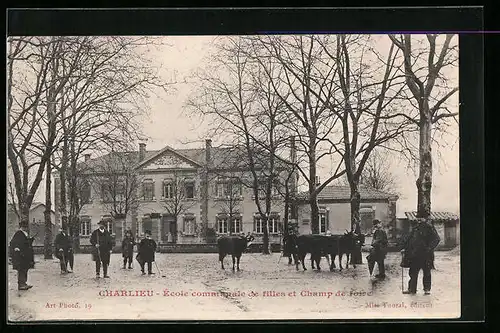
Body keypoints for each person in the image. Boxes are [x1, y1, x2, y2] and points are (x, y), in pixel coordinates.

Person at [401, 217, 441, 295]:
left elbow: (436, 239)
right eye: (418, 217)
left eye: (421, 217)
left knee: (426, 272)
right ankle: (412, 289)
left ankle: (427, 289)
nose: (419, 219)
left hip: (426, 255)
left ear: (425, 219)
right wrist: (404, 248)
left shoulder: (429, 228)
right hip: (415, 254)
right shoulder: (415, 228)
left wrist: (429, 248)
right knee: (413, 272)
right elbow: (409, 240)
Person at [9, 221, 35, 290]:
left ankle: (24, 283)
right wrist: (16, 248)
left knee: (25, 269)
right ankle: (21, 284)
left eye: (26, 226)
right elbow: (13, 243)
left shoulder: (24, 234)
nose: (25, 228)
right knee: (21, 269)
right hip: (21, 255)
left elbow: (26, 243)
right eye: (24, 227)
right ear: (21, 227)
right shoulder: (18, 233)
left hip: (25, 255)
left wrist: (30, 240)